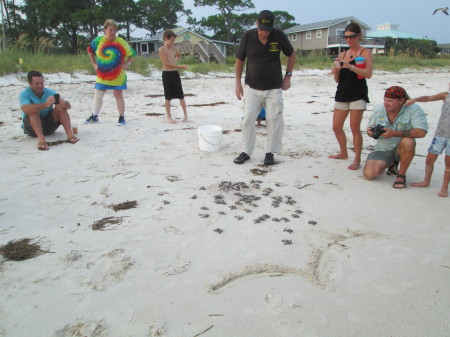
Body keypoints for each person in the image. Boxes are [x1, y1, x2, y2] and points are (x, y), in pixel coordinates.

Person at [234, 10, 296, 165]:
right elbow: (239, 61)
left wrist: (288, 76)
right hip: (252, 87)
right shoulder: (248, 36)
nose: (264, 33)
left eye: (267, 30)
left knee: (274, 120)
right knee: (248, 119)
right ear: (257, 24)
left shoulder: (278, 35)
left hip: (274, 88)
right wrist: (237, 84)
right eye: (261, 29)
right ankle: (246, 151)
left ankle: (270, 153)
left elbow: (292, 54)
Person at [363, 86, 428, 189]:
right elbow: (369, 129)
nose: (386, 103)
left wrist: (394, 133)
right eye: (384, 100)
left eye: (390, 101)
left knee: (408, 141)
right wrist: (371, 132)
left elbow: (421, 132)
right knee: (369, 175)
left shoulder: (413, 109)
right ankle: (392, 165)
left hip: (401, 148)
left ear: (402, 101)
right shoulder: (379, 109)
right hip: (383, 148)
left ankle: (401, 175)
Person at [330, 22, 373, 170]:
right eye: (346, 37)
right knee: (336, 127)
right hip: (342, 92)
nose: (349, 40)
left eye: (352, 37)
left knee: (355, 128)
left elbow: (368, 74)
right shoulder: (342, 54)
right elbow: (338, 79)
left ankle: (357, 159)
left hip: (358, 93)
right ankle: (343, 152)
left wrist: (350, 66)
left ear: (359, 36)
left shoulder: (365, 52)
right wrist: (336, 72)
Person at [85, 19, 136, 126]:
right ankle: (94, 115)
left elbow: (131, 54)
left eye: (114, 30)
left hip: (117, 75)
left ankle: (121, 117)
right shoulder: (98, 40)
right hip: (102, 74)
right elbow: (90, 50)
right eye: (110, 30)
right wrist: (94, 64)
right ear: (105, 30)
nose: (112, 32)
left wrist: (127, 64)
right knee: (98, 94)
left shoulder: (121, 41)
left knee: (118, 95)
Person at [405, 86, 450, 197]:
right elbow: (429, 98)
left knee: (448, 164)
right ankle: (426, 181)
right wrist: (415, 99)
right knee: (430, 159)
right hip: (440, 134)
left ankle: (444, 187)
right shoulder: (446, 95)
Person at [20, 71, 79, 151]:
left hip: (49, 127)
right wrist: (45, 105)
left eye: (41, 83)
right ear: (30, 83)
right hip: (32, 129)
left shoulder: (49, 92)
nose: (40, 86)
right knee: (33, 110)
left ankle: (70, 135)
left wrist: (65, 104)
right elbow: (25, 108)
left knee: (60, 107)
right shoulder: (24, 94)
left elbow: (68, 107)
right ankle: (41, 140)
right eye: (37, 84)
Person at [158, 29, 189, 124]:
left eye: (173, 40)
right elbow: (166, 64)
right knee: (168, 96)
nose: (172, 42)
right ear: (165, 39)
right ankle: (169, 116)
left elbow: (178, 55)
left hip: (175, 73)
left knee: (181, 95)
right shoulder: (162, 50)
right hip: (167, 74)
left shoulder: (174, 48)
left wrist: (176, 60)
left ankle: (185, 115)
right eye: (171, 40)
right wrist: (180, 66)